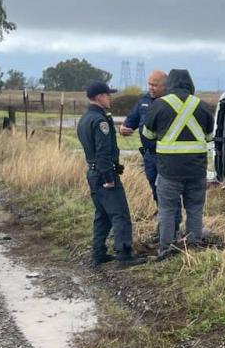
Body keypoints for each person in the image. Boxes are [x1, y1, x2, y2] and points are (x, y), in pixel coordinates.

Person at [142, 69, 214, 260]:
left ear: (169, 84)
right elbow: (209, 137)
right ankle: (194, 246)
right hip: (196, 170)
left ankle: (165, 250)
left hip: (168, 170)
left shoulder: (158, 105)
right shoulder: (203, 106)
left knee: (167, 209)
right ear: (191, 84)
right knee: (195, 208)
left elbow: (147, 135)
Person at [77, 81, 146, 269]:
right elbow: (103, 152)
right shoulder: (100, 121)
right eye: (108, 95)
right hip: (103, 175)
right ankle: (124, 254)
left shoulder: (85, 119)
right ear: (99, 97)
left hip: (92, 173)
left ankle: (98, 253)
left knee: (103, 215)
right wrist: (108, 177)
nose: (110, 98)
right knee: (120, 214)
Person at [119, 70, 182, 234]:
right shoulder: (143, 101)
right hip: (149, 156)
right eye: (149, 84)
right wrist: (123, 128)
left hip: (167, 157)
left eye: (155, 85)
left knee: (168, 192)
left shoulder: (172, 102)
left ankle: (171, 229)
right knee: (156, 192)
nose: (151, 88)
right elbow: (130, 122)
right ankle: (164, 224)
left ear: (165, 85)